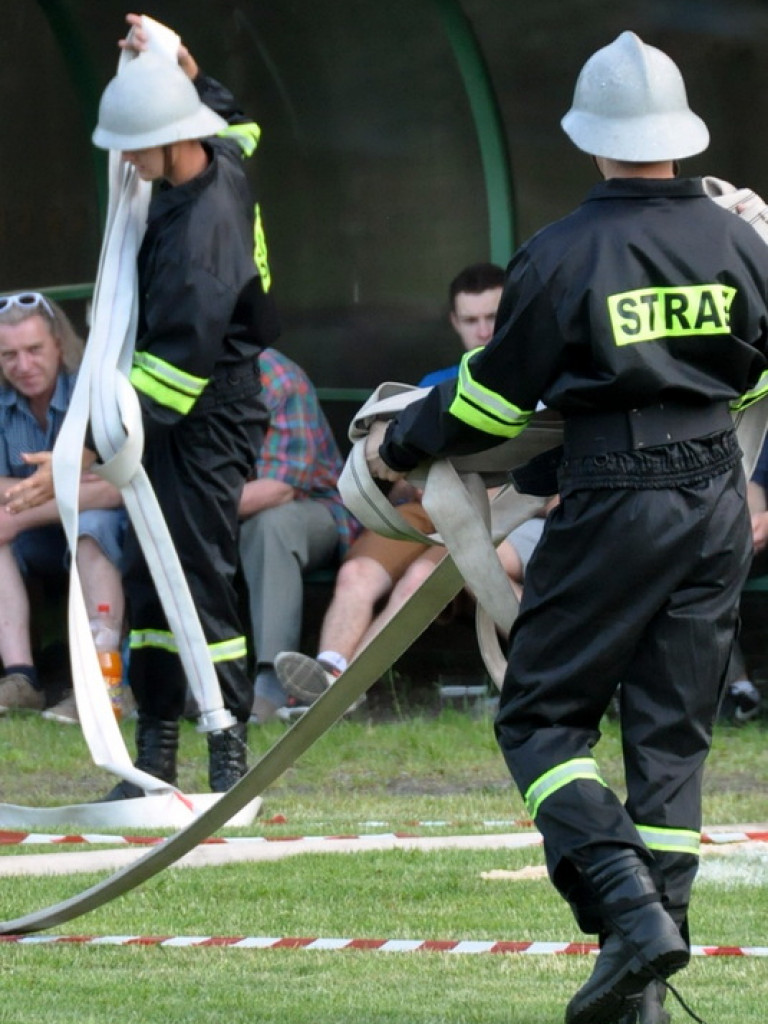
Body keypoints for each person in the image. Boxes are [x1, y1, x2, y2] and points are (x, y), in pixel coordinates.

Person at [366, 32, 768, 1024]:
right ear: (679, 136)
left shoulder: (562, 252)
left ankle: (631, 917)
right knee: (670, 745)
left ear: (592, 142)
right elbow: (756, 377)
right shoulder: (742, 244)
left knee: (541, 718)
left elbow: (491, 403)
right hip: (716, 494)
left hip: (619, 495)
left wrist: (399, 444)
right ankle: (646, 991)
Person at [88, 16, 279, 797]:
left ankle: (226, 745)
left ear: (174, 140)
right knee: (147, 574)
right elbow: (234, 120)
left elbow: (174, 370)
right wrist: (175, 63)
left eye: (138, 141)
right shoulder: (216, 159)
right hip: (175, 407)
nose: (127, 160)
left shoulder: (203, 229)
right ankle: (155, 749)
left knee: (196, 573)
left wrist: (99, 451)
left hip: (205, 412)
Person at [275, 262, 548, 709]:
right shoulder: (431, 387)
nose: (483, 331)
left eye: (493, 317)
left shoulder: (540, 382)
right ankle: (327, 668)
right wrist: (399, 482)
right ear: (454, 323)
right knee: (357, 573)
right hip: (424, 508)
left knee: (420, 578)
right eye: (471, 320)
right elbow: (394, 474)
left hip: (491, 512)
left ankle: (335, 695)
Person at [0, 293, 126, 721]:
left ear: (59, 344)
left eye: (34, 350)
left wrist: (23, 509)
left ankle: (103, 684)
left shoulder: (95, 393)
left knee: (93, 523)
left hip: (112, 533)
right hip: (36, 540)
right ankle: (21, 678)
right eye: (9, 355)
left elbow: (116, 487)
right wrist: (70, 485)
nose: (23, 365)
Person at [237, 346, 360, 724]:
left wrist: (190, 512)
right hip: (220, 512)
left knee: (270, 524)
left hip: (314, 510)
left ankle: (272, 681)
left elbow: (280, 487)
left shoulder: (275, 377)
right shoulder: (175, 372)